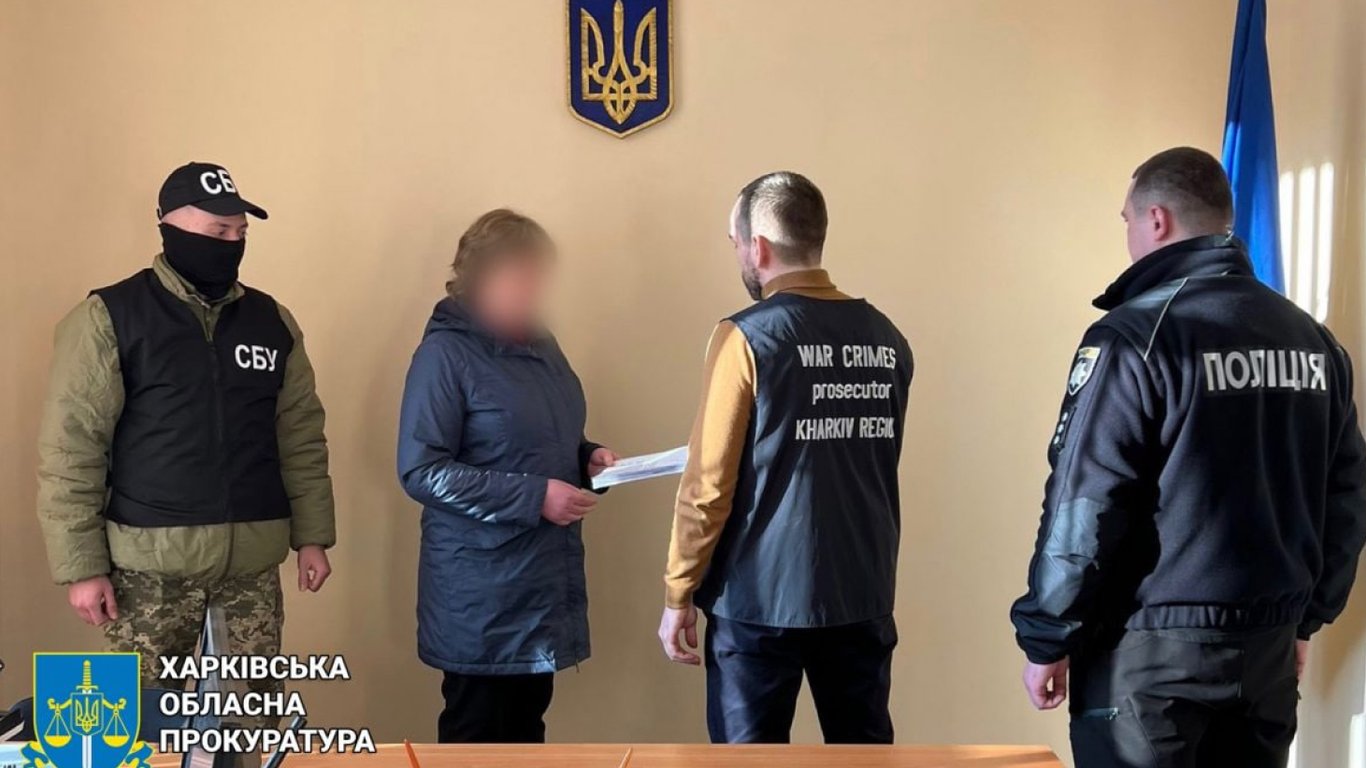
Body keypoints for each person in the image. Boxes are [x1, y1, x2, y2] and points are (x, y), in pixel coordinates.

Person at [1010, 147, 1366, 767]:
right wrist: (1305, 619)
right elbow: (1347, 498)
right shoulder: (1312, 341)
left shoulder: (1137, 337)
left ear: (1157, 219)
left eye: (1126, 220)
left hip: (1149, 665)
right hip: (1267, 652)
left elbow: (1087, 501)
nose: (1127, 235)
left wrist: (1047, 634)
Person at [36, 162, 336, 716]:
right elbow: (71, 450)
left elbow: (300, 436)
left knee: (250, 726)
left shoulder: (271, 321)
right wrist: (82, 567)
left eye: (240, 232)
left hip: (252, 564)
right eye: (217, 230)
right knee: (132, 726)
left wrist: (312, 537)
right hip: (147, 569)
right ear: (168, 225)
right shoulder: (109, 317)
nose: (231, 244)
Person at [658, 172, 913, 744]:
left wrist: (679, 590)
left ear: (759, 246)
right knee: (864, 757)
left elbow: (707, 485)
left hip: (758, 601)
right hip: (862, 593)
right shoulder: (887, 338)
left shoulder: (746, 337)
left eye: (735, 243)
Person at [396, 209, 618, 744]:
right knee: (476, 738)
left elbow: (540, 440)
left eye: (537, 275)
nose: (532, 288)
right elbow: (421, 470)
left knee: (525, 735)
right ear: (480, 277)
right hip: (480, 596)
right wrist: (535, 496)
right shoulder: (443, 355)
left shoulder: (543, 347)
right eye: (519, 275)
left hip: (539, 585)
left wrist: (587, 459)